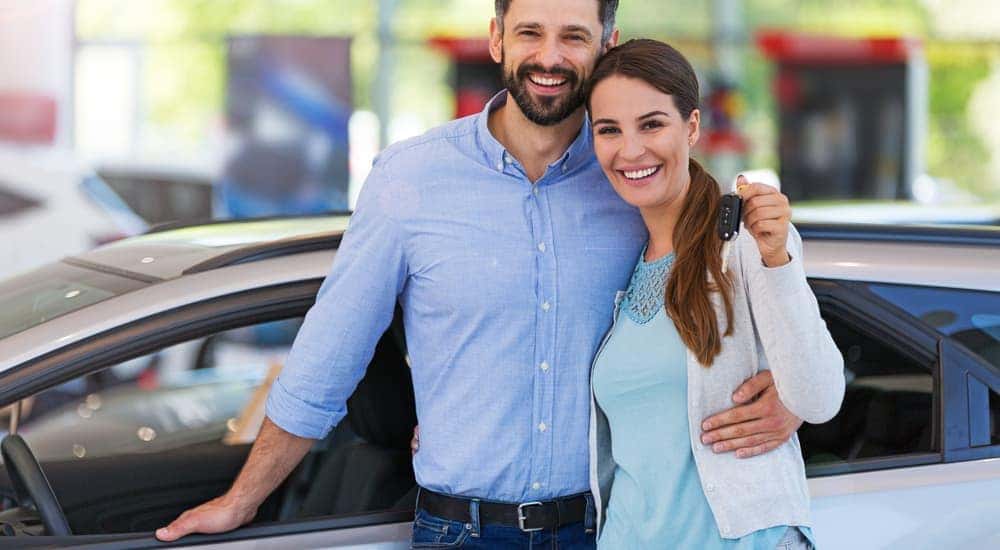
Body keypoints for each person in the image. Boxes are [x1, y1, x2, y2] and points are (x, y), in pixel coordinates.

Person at [157, 2, 807, 547]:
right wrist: (242, 501)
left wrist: (794, 396)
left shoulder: (639, 182)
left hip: (606, 526)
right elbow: (326, 360)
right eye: (530, 32)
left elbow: (750, 301)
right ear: (497, 37)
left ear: (607, 47)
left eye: (573, 37)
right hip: (457, 530)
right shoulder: (409, 181)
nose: (549, 56)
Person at [585, 39, 845, 549]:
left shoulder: (747, 240)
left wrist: (777, 259)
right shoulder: (623, 261)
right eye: (608, 130)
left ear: (693, 127)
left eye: (652, 124)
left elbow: (818, 397)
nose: (630, 149)